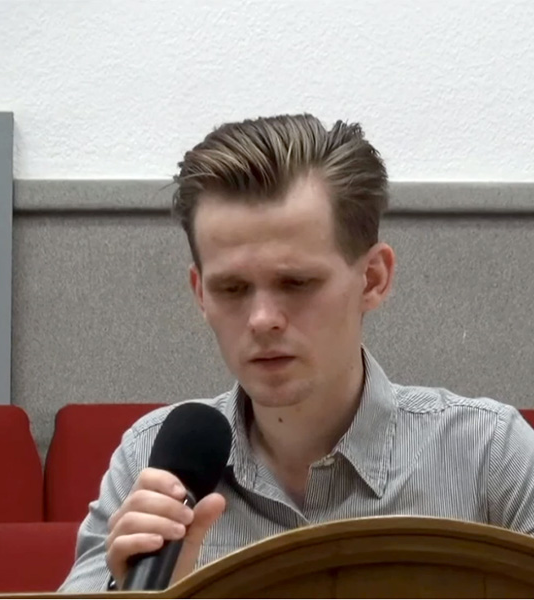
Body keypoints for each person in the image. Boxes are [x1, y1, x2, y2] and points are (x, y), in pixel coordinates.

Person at [59, 113, 534, 592]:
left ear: (373, 279)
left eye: (296, 283)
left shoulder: (490, 456)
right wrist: (147, 596)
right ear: (200, 293)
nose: (262, 319)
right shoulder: (151, 460)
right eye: (232, 288)